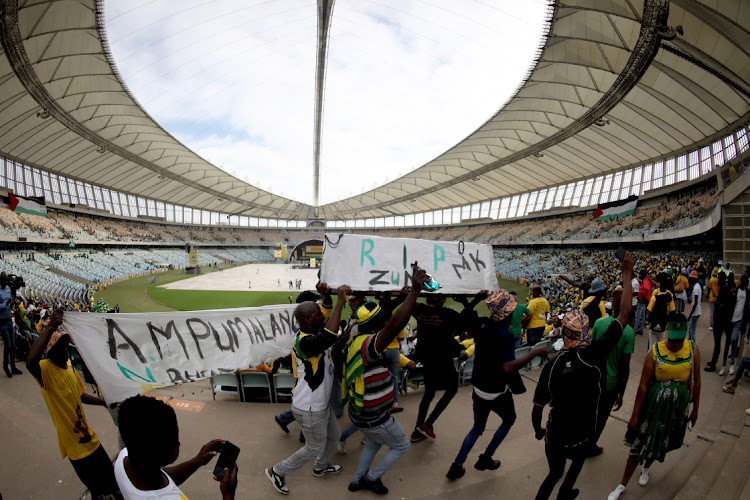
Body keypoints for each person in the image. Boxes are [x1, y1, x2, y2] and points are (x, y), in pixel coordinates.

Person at [532, 252, 634, 500]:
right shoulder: (593, 356)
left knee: (554, 473)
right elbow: (624, 315)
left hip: (555, 436)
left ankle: (556, 491)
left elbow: (537, 409)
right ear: (586, 333)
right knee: (577, 462)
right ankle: (566, 491)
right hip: (580, 436)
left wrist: (538, 430)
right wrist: (627, 272)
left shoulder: (552, 366)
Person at [343, 264, 428, 495]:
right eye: (382, 320)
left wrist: (400, 297)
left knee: (372, 443)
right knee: (401, 445)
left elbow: (385, 317)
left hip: (360, 412)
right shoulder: (370, 345)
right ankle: (372, 477)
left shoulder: (356, 337)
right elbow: (393, 324)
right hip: (375, 416)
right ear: (375, 325)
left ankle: (357, 479)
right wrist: (414, 292)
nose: (385, 321)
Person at [446, 290, 547, 481]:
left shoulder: (483, 324)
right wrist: (533, 353)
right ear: (507, 313)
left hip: (478, 388)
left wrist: (472, 300)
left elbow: (467, 315)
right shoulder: (506, 335)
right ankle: (486, 457)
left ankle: (456, 465)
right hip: (496, 391)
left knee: (477, 428)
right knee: (509, 419)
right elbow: (507, 368)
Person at [265, 283, 351, 495]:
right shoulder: (304, 343)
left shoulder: (313, 326)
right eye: (316, 313)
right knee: (313, 446)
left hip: (319, 404)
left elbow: (326, 311)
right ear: (306, 320)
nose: (321, 315)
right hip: (309, 407)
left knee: (333, 436)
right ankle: (278, 471)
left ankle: (321, 466)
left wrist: (326, 296)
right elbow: (329, 337)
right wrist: (341, 300)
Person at [26, 311, 121, 499]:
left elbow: (81, 395)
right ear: (50, 350)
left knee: (112, 482)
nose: (65, 350)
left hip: (89, 438)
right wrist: (51, 325)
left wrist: (104, 402)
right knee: (101, 492)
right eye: (60, 347)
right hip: (75, 448)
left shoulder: (69, 366)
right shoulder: (46, 371)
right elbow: (30, 363)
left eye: (65, 346)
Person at [607, 315, 701, 500]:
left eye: (678, 340)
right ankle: (622, 484)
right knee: (639, 443)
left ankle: (647, 468)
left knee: (661, 440)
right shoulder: (655, 351)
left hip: (675, 408)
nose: (674, 344)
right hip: (653, 406)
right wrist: (634, 415)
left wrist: (696, 409)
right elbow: (643, 385)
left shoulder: (692, 349)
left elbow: (697, 381)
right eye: (672, 339)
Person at [115, 395, 237, 499]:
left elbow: (163, 476)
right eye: (175, 442)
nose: (178, 445)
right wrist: (228, 495)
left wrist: (198, 460)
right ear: (169, 453)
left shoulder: (125, 457)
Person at [410, 291, 485, 442]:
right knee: (452, 389)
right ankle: (427, 424)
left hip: (427, 359)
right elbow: (464, 321)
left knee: (429, 393)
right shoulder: (448, 314)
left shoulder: (419, 309)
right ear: (444, 299)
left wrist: (408, 293)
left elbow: (408, 301)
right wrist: (473, 300)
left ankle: (418, 428)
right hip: (443, 359)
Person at [590, 286, 635, 456]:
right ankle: (591, 444)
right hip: (611, 385)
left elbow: (592, 352)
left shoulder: (600, 323)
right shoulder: (629, 333)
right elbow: (625, 368)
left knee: (590, 414)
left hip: (594, 380)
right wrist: (621, 393)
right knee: (601, 418)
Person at [706, 273, 734, 372]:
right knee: (719, 344)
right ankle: (714, 362)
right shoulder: (727, 290)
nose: (717, 281)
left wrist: (716, 317)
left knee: (718, 344)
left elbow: (721, 307)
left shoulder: (724, 291)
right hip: (724, 321)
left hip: (722, 321)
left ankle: (714, 364)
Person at [720, 274, 747, 376]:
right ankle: (723, 365)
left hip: (738, 321)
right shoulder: (734, 292)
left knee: (734, 339)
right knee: (727, 344)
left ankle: (732, 363)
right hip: (730, 320)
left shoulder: (747, 293)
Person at [0, 272, 21, 378]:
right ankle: (5, 366)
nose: (5, 282)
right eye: (3, 280)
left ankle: (13, 366)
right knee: (7, 345)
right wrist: (6, 304)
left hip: (8, 319)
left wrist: (11, 303)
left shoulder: (8, 289)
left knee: (13, 345)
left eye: (6, 280)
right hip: (2, 321)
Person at [647, 272, 675, 348]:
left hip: (654, 323)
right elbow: (672, 311)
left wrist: (650, 322)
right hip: (663, 323)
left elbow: (650, 309)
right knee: (661, 345)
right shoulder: (669, 295)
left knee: (651, 345)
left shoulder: (655, 294)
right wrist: (668, 323)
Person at [634, 270, 652, 336]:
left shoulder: (645, 281)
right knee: (642, 315)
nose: (639, 276)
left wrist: (642, 294)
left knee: (638, 315)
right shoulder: (645, 280)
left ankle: (635, 330)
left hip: (642, 299)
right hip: (645, 299)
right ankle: (641, 329)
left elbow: (647, 288)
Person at [686, 271, 702, 342]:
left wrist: (690, 315)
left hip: (695, 312)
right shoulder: (697, 286)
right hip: (696, 312)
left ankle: (693, 345)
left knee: (692, 331)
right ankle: (689, 343)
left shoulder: (696, 288)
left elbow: (695, 303)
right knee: (690, 329)